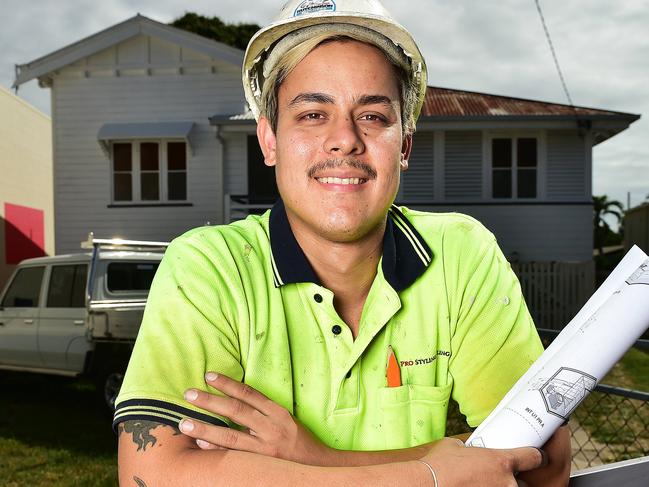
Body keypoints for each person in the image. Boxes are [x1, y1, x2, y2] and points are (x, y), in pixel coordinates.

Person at [115, 1, 571, 485]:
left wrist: (315, 459)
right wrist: (432, 472)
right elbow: (152, 473)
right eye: (313, 113)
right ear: (269, 140)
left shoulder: (462, 254)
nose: (345, 140)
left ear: (406, 145)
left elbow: (544, 462)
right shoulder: (211, 266)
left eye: (373, 116)